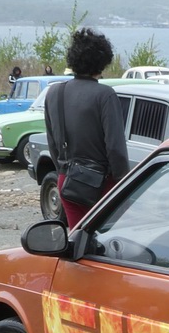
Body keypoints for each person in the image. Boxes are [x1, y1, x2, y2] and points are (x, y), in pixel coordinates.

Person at [45, 28, 130, 228]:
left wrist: (64, 171)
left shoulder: (54, 93)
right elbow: (116, 149)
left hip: (68, 181)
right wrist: (124, 185)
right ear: (102, 62)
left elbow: (52, 142)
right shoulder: (105, 95)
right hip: (102, 184)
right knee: (105, 242)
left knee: (78, 238)